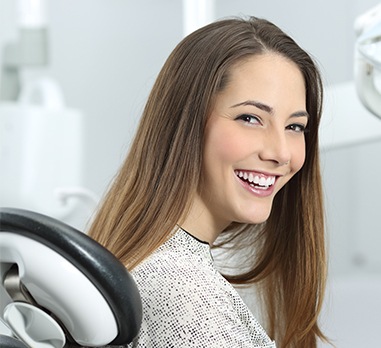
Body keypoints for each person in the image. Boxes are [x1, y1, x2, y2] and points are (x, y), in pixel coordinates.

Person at [88, 16, 328, 347]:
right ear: (186, 123)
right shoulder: (185, 293)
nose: (281, 153)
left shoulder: (150, 264)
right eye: (250, 118)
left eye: (295, 126)